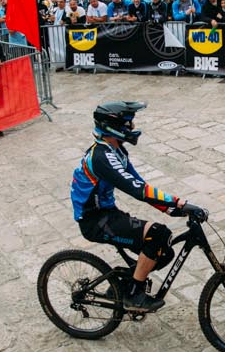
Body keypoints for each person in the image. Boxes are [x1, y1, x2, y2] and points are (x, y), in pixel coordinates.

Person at [70, 102, 205, 313]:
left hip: (108, 213)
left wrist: (173, 210)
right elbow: (138, 190)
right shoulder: (101, 157)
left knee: (164, 251)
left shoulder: (117, 151)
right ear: (113, 127)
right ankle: (133, 294)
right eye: (128, 124)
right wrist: (179, 202)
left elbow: (140, 183)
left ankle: (125, 284)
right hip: (94, 221)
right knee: (156, 234)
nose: (132, 127)